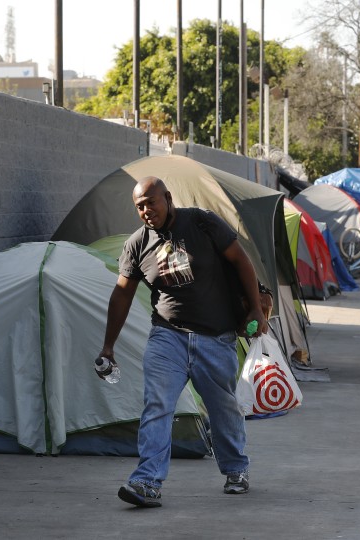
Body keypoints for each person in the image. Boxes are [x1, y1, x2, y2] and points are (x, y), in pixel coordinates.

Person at [100, 176, 269, 508]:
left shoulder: (202, 223)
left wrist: (255, 310)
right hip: (167, 337)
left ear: (168, 197)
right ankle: (147, 481)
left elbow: (241, 261)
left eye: (151, 202)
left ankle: (236, 469)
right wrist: (108, 346)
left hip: (215, 338)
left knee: (223, 410)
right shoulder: (137, 244)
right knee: (157, 405)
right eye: (139, 206)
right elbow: (122, 295)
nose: (146, 210)